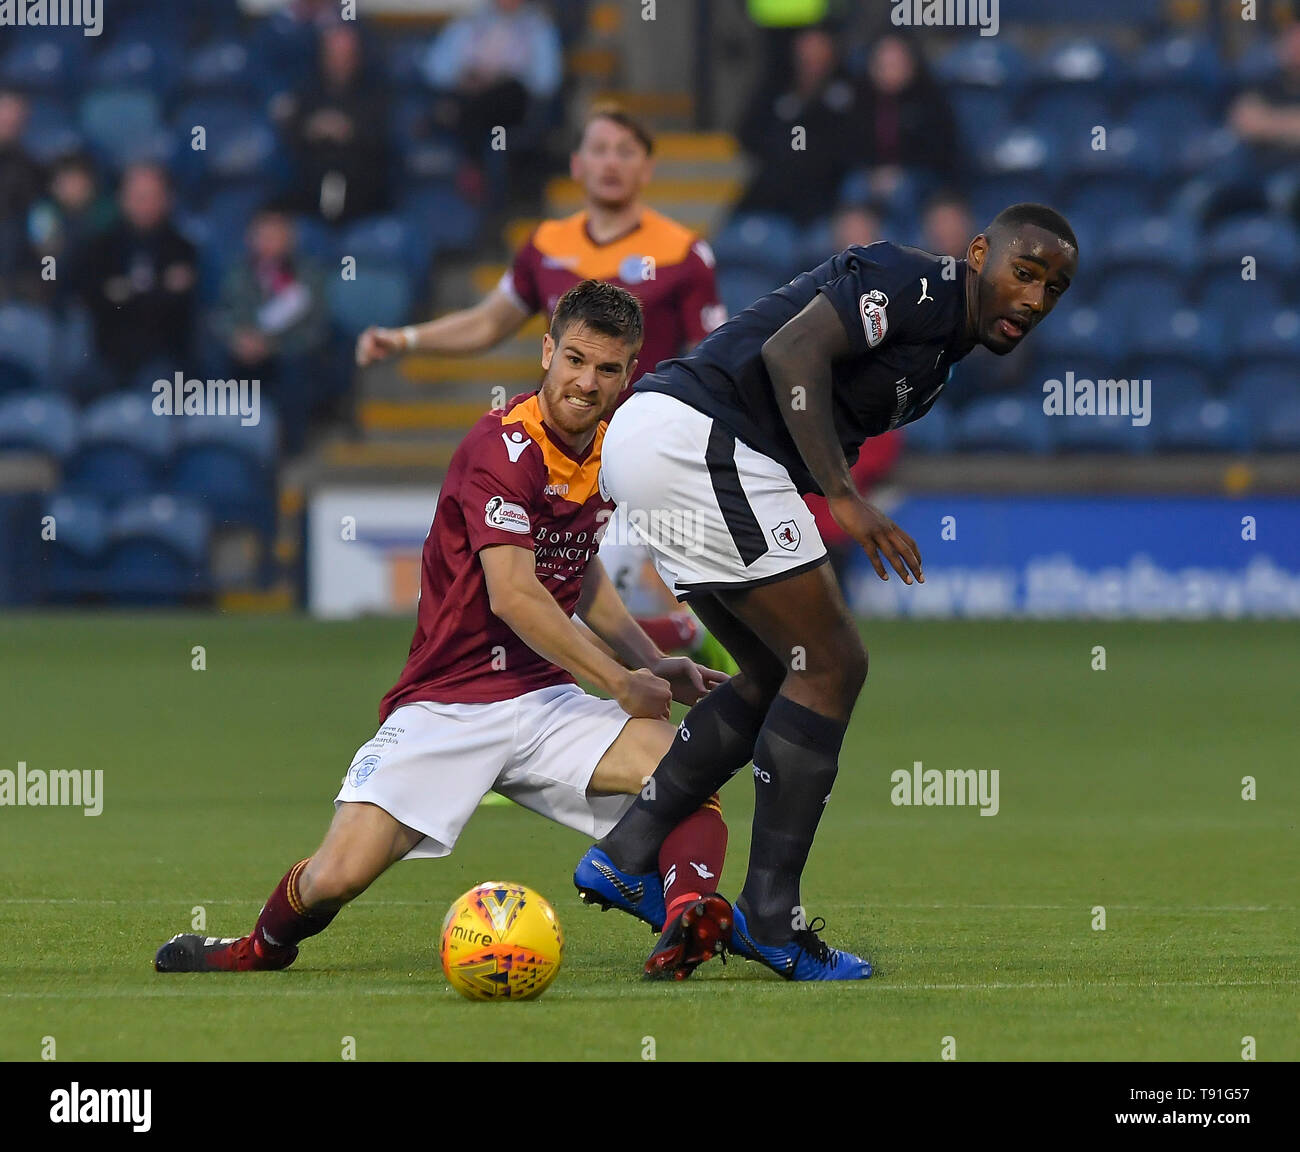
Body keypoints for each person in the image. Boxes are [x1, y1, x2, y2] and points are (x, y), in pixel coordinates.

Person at [154, 282, 733, 982]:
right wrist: (619, 680)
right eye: (575, 359)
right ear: (548, 351)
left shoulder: (612, 447)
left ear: (629, 374)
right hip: (447, 701)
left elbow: (575, 572)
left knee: (686, 761)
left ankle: (688, 921)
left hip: (543, 696)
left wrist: (652, 659)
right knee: (337, 875)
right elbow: (517, 595)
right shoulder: (501, 447)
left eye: (607, 369)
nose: (587, 382)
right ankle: (257, 949)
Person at [577, 204, 1078, 980]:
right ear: (979, 253)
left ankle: (627, 851)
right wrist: (842, 496)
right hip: (699, 437)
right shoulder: (914, 282)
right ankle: (772, 919)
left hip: (671, 443)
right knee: (834, 664)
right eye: (1024, 272)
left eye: (1054, 289)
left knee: (780, 673)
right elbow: (792, 350)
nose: (1034, 299)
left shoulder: (941, 351)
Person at [357, 104, 732, 671]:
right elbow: (488, 322)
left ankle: (647, 689)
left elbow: (713, 358)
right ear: (577, 165)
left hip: (634, 455)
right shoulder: (546, 245)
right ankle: (674, 643)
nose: (611, 163)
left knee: (580, 605)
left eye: (626, 152)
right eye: (600, 150)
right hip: (553, 454)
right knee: (555, 606)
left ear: (647, 170)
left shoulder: (682, 252)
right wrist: (406, 340)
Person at [211, 203, 331, 455]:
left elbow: (316, 329)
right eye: (263, 236)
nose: (269, 243)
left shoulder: (308, 276)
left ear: (291, 239)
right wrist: (237, 338)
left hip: (287, 355)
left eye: (276, 236)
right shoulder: (237, 273)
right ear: (250, 239)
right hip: (242, 353)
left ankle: (289, 449)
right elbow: (221, 314)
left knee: (296, 371)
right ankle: (225, 442)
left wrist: (272, 346)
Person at [732, 25, 861, 228]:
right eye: (806, 49)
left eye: (818, 49)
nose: (811, 57)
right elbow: (748, 135)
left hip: (829, 193)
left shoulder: (848, 94)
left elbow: (851, 145)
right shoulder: (775, 90)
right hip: (776, 192)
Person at [79, 163, 198, 385]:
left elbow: (179, 310)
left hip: (163, 356)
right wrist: (159, 288)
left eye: (153, 196)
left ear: (167, 200)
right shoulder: (101, 248)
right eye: (138, 196)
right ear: (122, 198)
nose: (146, 205)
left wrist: (126, 292)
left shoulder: (182, 249)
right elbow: (95, 300)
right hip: (109, 354)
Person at [283, 22, 389, 222]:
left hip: (363, 198)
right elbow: (289, 133)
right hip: (308, 195)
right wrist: (312, 128)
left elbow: (383, 139)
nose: (339, 62)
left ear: (357, 57)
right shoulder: (306, 92)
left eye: (346, 56)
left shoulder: (375, 93)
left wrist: (349, 130)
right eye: (333, 55)